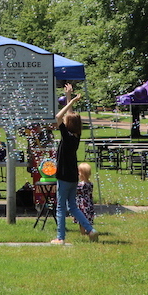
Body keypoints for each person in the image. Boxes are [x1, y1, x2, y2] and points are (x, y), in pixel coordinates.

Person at [51, 84, 99, 244]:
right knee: (73, 207)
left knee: (61, 207)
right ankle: (90, 230)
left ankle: (60, 238)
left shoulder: (67, 136)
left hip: (64, 177)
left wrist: (70, 102)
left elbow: (58, 117)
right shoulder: (76, 135)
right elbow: (69, 116)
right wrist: (70, 96)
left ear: (68, 124)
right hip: (72, 176)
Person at [74, 162, 96, 233]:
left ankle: (82, 232)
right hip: (89, 204)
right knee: (87, 218)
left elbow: (75, 190)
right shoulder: (90, 184)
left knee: (81, 218)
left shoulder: (81, 185)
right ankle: (88, 229)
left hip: (82, 204)